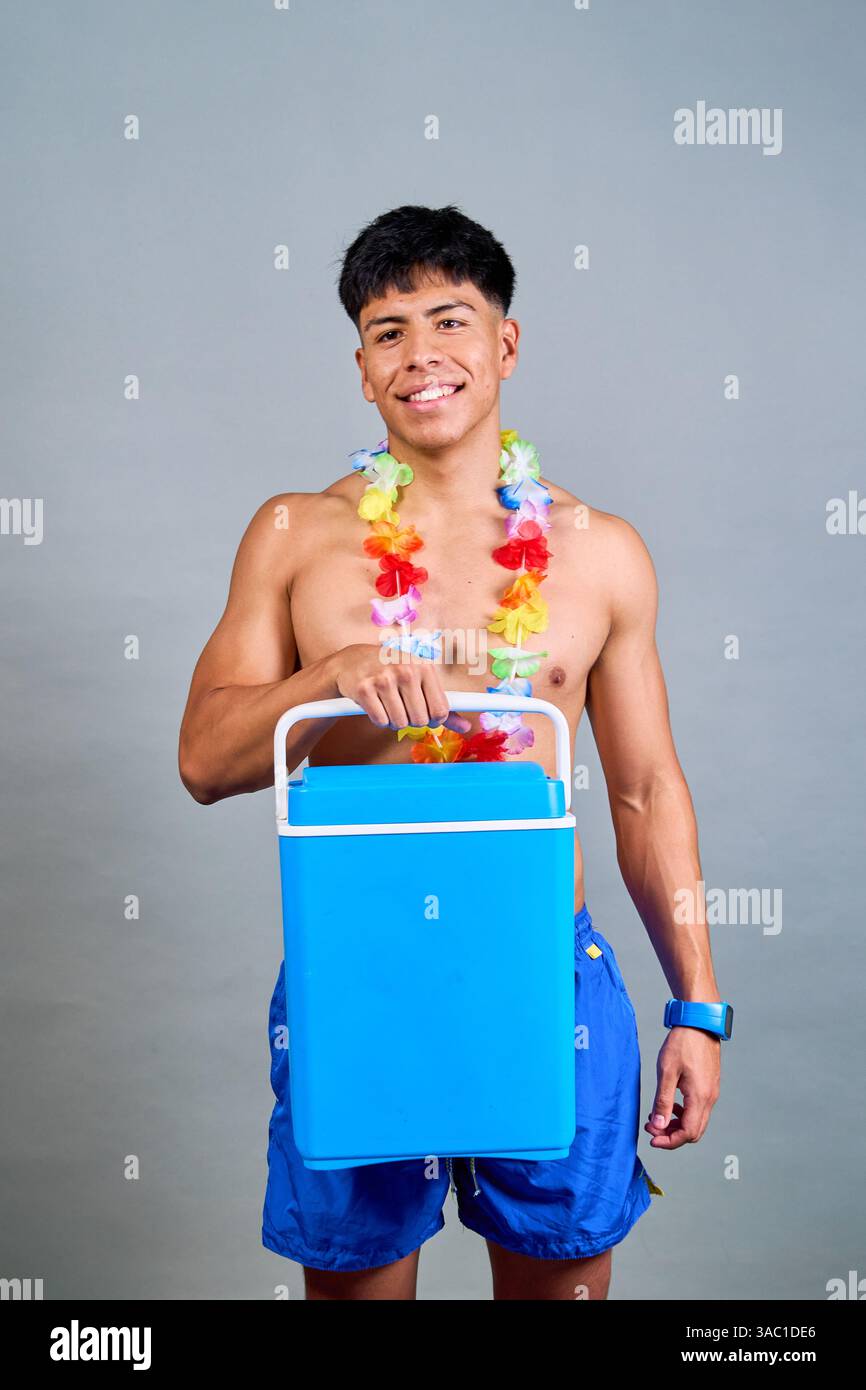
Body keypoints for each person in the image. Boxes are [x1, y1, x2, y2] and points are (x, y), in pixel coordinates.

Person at [178, 204, 725, 1301]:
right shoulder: (292, 535)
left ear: (503, 344)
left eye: (449, 321)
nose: (421, 356)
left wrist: (695, 1006)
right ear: (361, 368)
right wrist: (324, 679)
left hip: (543, 971)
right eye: (388, 332)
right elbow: (203, 758)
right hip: (360, 969)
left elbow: (643, 789)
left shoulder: (598, 551)